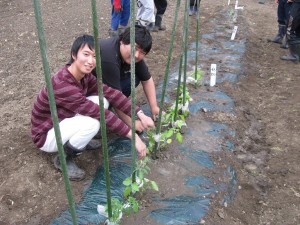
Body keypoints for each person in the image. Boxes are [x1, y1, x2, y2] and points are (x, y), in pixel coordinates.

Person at [31, 35, 155, 180]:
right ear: (73, 54)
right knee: (93, 122)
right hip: (46, 134)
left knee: (102, 99)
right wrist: (133, 137)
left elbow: (111, 93)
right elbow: (101, 113)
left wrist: (140, 114)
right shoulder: (63, 85)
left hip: (62, 119)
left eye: (95, 56)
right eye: (86, 54)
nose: (90, 61)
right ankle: (63, 159)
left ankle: (79, 140)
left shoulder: (85, 76)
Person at [93, 25, 160, 133]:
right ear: (123, 41)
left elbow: (147, 80)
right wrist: (132, 123)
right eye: (135, 48)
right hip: (85, 93)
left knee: (135, 78)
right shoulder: (109, 58)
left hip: (105, 84)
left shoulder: (131, 55)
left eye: (142, 52)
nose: (137, 55)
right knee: (106, 101)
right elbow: (116, 96)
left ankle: (109, 108)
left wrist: (154, 107)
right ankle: (95, 120)